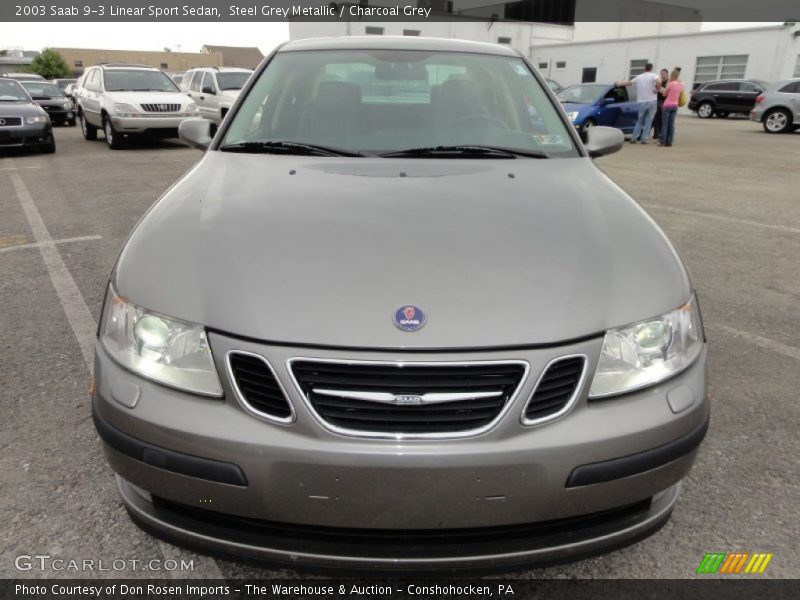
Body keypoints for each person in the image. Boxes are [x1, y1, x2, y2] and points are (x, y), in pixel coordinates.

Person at [616, 63, 660, 144]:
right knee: (648, 121)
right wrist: (657, 90)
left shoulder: (639, 77)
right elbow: (659, 81)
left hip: (641, 101)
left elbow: (629, 83)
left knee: (640, 120)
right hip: (652, 101)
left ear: (644, 68)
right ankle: (644, 139)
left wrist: (619, 83)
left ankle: (634, 138)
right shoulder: (654, 75)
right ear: (651, 68)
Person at [659, 68, 684, 147]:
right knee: (671, 124)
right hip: (675, 105)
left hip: (667, 105)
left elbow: (664, 94)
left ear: (672, 76)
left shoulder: (671, 83)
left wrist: (661, 89)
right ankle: (669, 142)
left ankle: (663, 141)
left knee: (665, 124)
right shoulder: (681, 84)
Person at [652, 68, 669, 140]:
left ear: (667, 74)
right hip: (657, 101)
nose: (662, 75)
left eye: (663, 74)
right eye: (661, 74)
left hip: (664, 102)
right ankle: (656, 134)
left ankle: (661, 134)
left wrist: (659, 89)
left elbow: (665, 92)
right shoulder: (659, 82)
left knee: (662, 119)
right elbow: (655, 90)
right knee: (656, 118)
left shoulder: (668, 82)